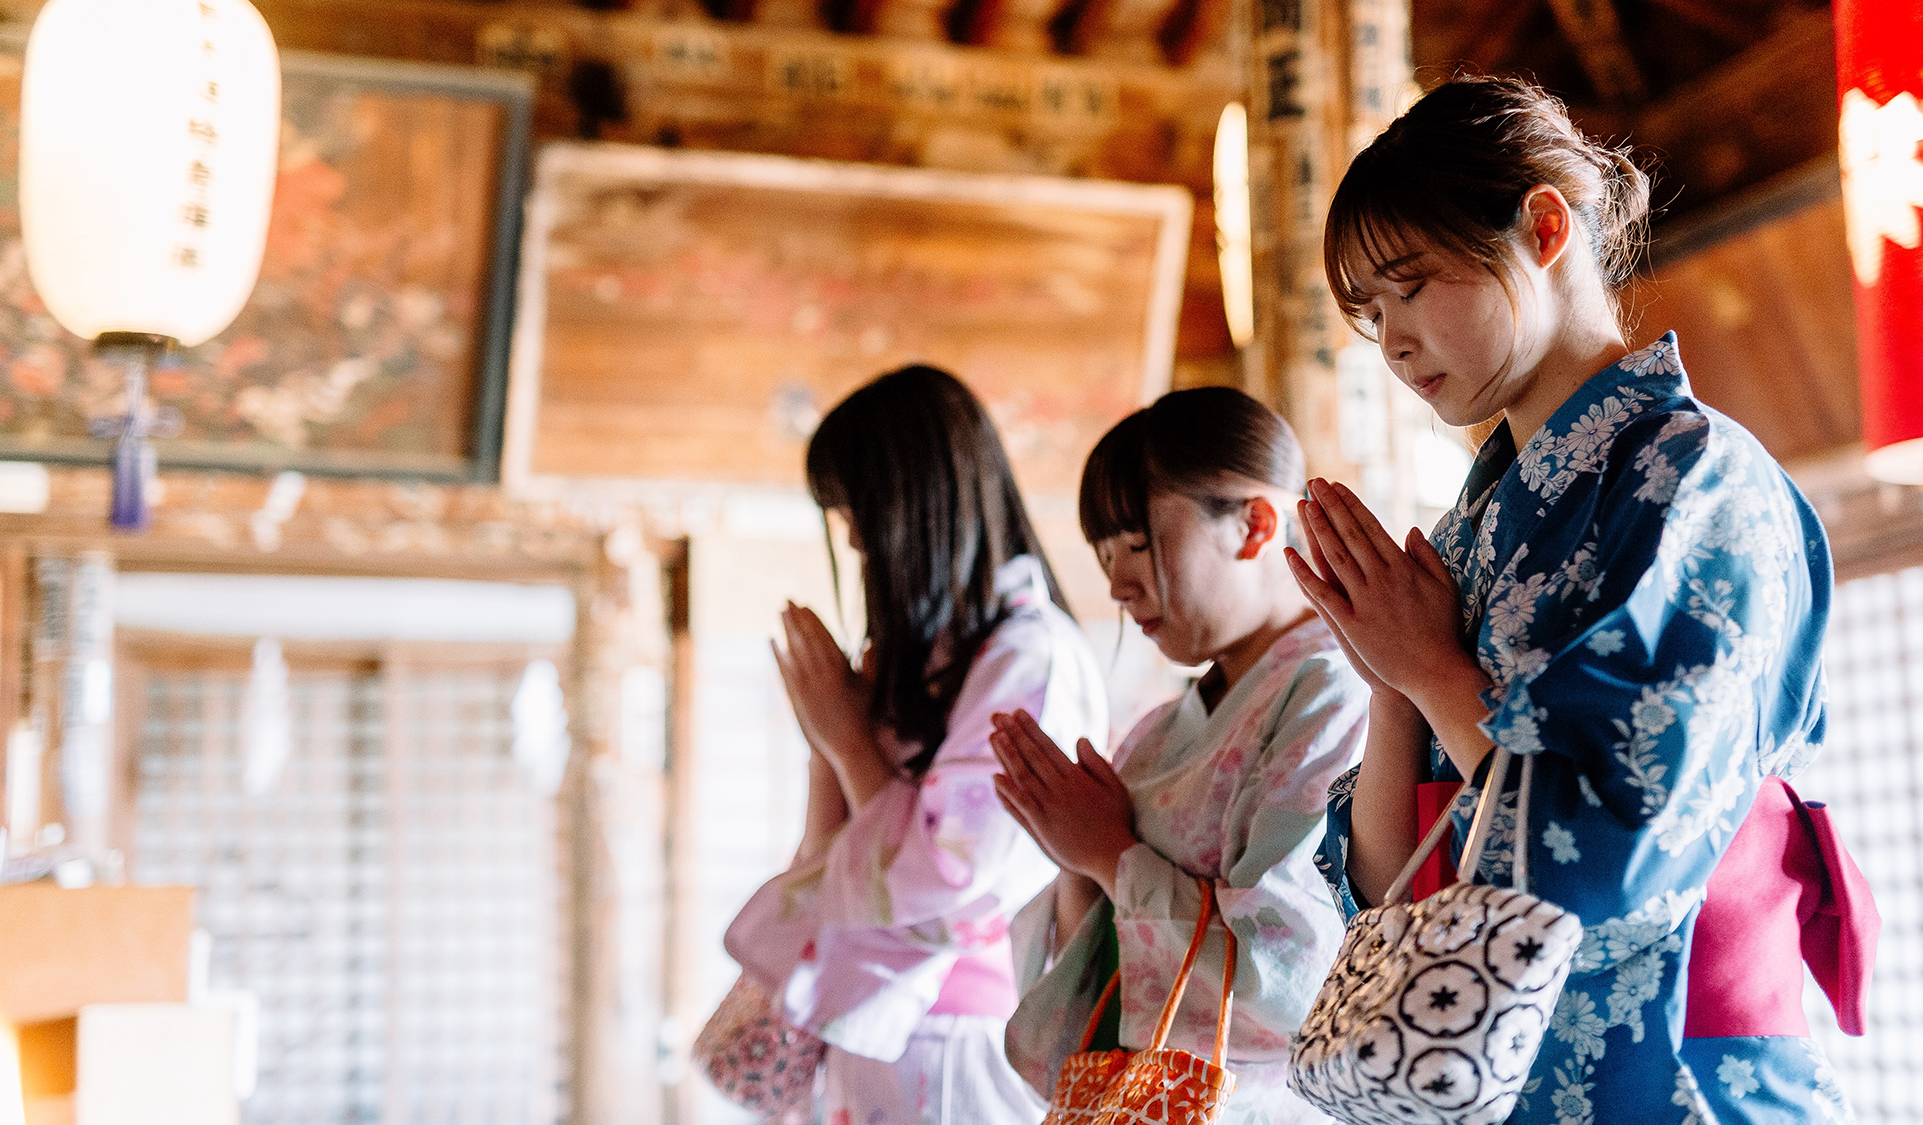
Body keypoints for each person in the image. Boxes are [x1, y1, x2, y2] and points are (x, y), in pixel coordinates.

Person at [1290, 75, 1846, 1122]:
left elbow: (1621, 859)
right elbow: (1381, 889)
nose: (1391, 340)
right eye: (1369, 313)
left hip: (1674, 1068)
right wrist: (1388, 682)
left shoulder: (1697, 484)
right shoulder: (1464, 532)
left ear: (1543, 227)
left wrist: (1431, 670)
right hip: (1495, 1076)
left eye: (1409, 286)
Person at [723, 365, 1111, 1125]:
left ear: (914, 507)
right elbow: (832, 855)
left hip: (955, 1034)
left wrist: (847, 739)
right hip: (880, 1033)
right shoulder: (940, 654)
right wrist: (828, 741)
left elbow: (944, 879)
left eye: (858, 514)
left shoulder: (1030, 658)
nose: (857, 541)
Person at [992, 387, 1370, 1122]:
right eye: (1105, 553)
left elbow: (1291, 981)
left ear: (1256, 524)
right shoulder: (1161, 729)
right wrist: (1077, 854)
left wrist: (1108, 853)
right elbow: (1092, 954)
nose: (1117, 584)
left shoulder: (1334, 691)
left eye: (1138, 543)